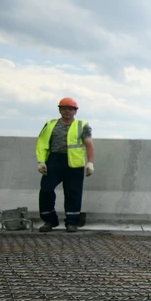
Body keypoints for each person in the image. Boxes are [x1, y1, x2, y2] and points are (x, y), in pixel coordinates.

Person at [35, 97, 95, 233]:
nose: (67, 111)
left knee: (73, 192)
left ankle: (71, 222)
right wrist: (41, 161)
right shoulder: (50, 124)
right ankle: (50, 220)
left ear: (75, 111)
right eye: (64, 108)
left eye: (70, 109)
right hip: (54, 160)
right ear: (59, 110)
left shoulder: (82, 125)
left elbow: (89, 145)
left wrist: (90, 162)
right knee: (46, 190)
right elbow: (42, 143)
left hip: (74, 163)